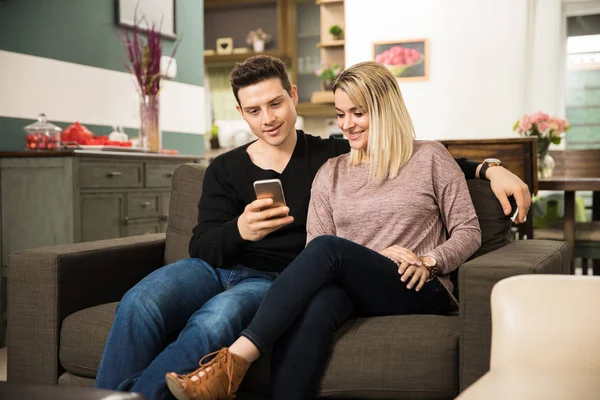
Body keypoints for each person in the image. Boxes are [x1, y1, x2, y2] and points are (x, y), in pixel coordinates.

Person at [96, 55, 530, 400]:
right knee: (146, 301)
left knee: (301, 265)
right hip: (293, 275)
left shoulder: (392, 155)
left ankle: (232, 362)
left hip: (375, 279)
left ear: (293, 97)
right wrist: (240, 231)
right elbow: (218, 245)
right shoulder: (317, 169)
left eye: (358, 112)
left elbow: (454, 209)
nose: (348, 124)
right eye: (342, 114)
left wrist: (488, 173)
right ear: (242, 113)